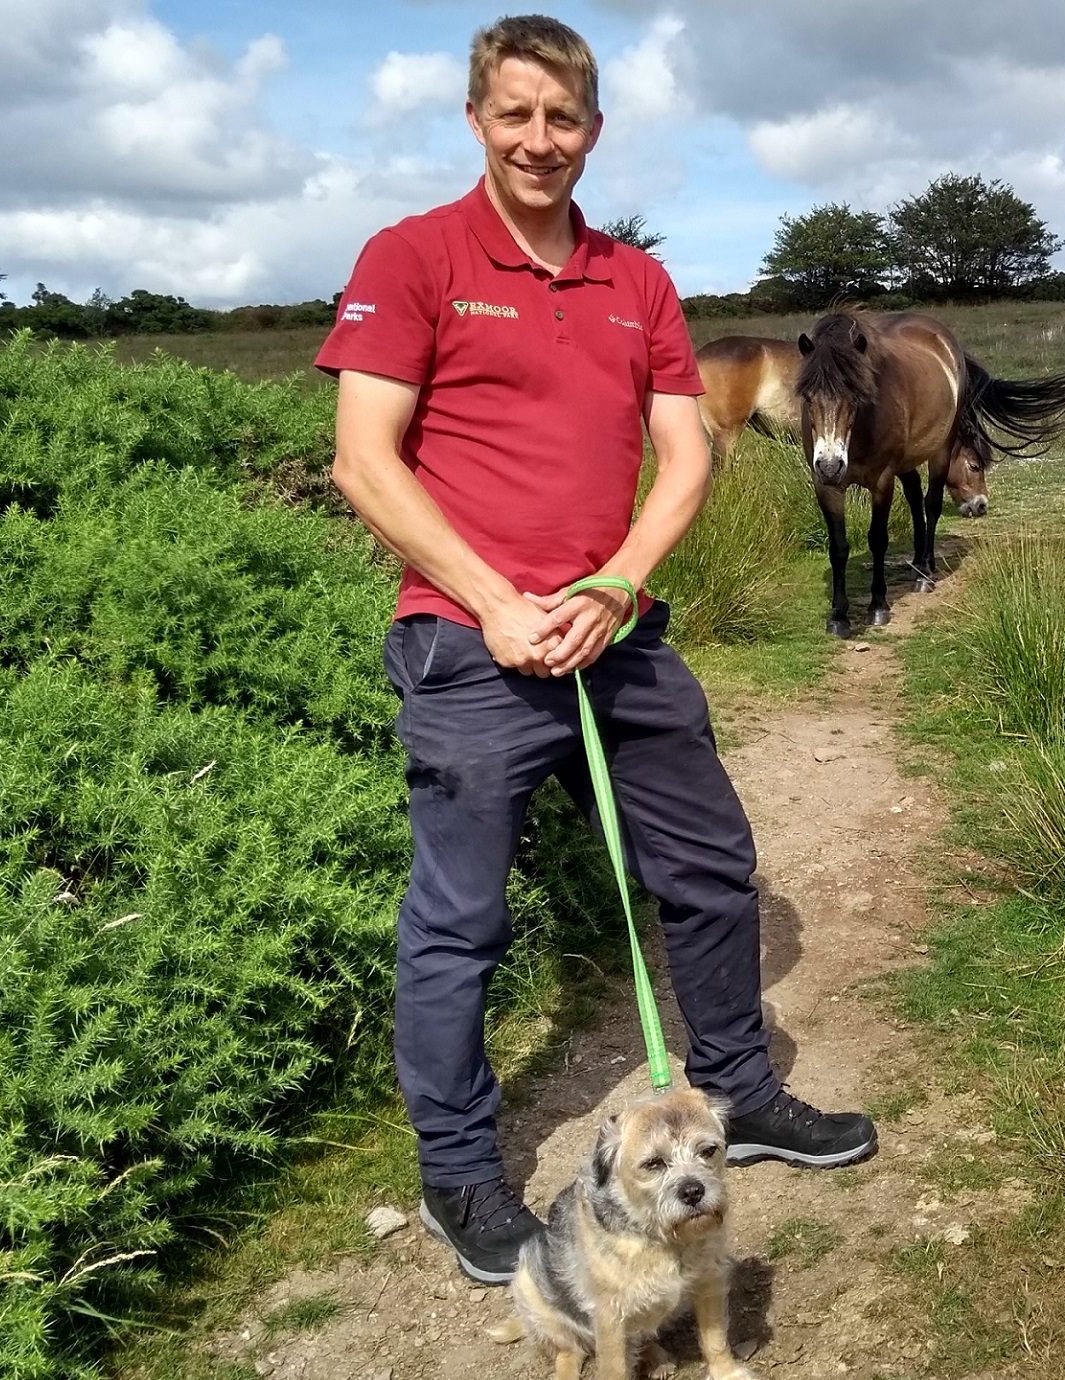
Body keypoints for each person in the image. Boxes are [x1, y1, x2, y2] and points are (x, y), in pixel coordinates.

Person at [317, 13, 875, 1286]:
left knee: (713, 865)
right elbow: (364, 462)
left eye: (562, 118)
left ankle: (738, 1094)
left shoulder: (637, 284)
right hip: (468, 639)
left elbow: (683, 458)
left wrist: (618, 585)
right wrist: (496, 601)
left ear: (594, 131)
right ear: (476, 121)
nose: (539, 139)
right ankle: (461, 1176)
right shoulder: (411, 258)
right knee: (458, 925)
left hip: (612, 635)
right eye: (514, 114)